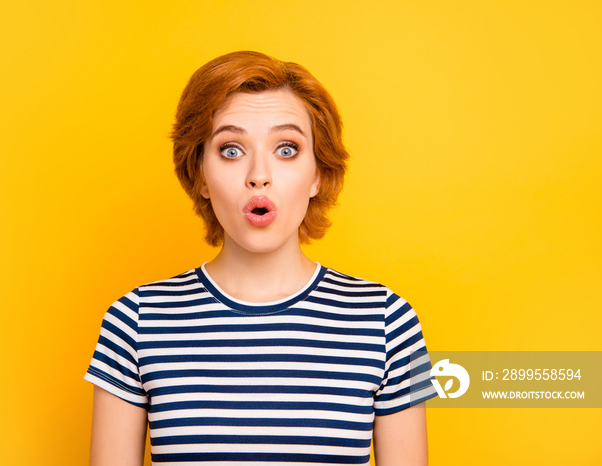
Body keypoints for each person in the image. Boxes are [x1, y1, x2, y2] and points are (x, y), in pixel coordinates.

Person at [85, 51, 436, 465]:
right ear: (200, 175)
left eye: (286, 149)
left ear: (317, 174)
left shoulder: (388, 322)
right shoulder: (137, 320)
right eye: (231, 150)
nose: (259, 174)